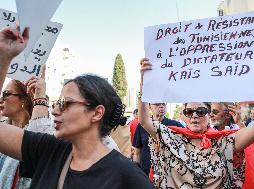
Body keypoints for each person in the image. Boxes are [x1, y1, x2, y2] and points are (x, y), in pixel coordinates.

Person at [0, 27, 153, 189]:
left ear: (97, 113)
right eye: (57, 103)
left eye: (66, 103)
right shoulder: (49, 149)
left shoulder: (126, 176)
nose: (54, 110)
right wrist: (4, 57)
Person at [138, 48, 254, 188]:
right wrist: (144, 86)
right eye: (189, 111)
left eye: (200, 111)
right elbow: (144, 121)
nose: (194, 115)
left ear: (209, 114)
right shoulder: (172, 138)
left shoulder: (224, 141)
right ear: (184, 115)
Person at [0, 70, 54, 189]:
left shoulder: (41, 131)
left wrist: (40, 95)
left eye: (6, 94)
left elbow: (37, 148)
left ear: (23, 99)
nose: (1, 99)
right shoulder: (2, 130)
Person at [132, 102, 183, 176]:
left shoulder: (176, 126)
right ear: (149, 106)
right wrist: (137, 172)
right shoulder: (141, 126)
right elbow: (136, 153)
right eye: (157, 104)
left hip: (169, 176)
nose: (161, 106)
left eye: (163, 104)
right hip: (146, 174)